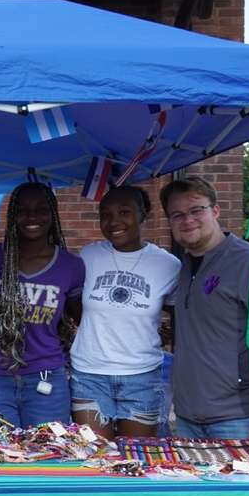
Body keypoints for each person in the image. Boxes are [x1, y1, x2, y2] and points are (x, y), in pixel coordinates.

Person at [159, 176, 249, 444]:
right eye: (177, 215)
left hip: (238, 418)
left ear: (216, 210)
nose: (188, 220)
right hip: (187, 417)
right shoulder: (181, 269)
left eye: (196, 210)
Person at [69, 186, 181, 439]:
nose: (114, 222)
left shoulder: (168, 265)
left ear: (143, 215)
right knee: (95, 456)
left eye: (124, 212)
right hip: (89, 374)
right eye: (105, 214)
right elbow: (77, 306)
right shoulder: (89, 256)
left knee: (136, 455)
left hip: (142, 376)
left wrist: (158, 333)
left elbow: (180, 314)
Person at [0, 182, 84, 427]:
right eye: (22, 210)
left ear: (52, 214)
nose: (31, 216)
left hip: (47, 379)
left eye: (41, 209)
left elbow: (85, 321)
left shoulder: (71, 266)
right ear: (12, 216)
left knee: (47, 450)